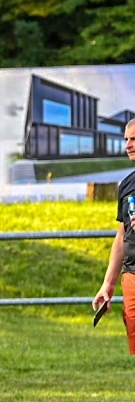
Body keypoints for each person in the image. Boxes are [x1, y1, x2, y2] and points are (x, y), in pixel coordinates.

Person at [92, 118, 135, 347]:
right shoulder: (127, 185)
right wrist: (108, 283)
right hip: (132, 276)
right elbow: (122, 236)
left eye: (134, 139)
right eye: (126, 139)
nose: (128, 145)